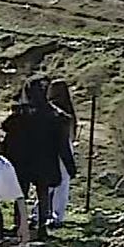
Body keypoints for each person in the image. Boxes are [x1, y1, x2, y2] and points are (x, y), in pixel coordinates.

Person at [1, 76, 76, 241]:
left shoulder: (23, 113)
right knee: (42, 193)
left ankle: (20, 224)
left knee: (22, 194)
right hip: (44, 161)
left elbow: (5, 126)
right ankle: (42, 227)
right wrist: (70, 166)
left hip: (23, 160)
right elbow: (62, 142)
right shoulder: (55, 115)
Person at [48, 79, 78, 227]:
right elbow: (72, 134)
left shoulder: (49, 108)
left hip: (49, 147)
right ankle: (57, 215)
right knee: (62, 182)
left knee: (48, 182)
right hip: (64, 146)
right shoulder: (67, 110)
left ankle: (39, 212)